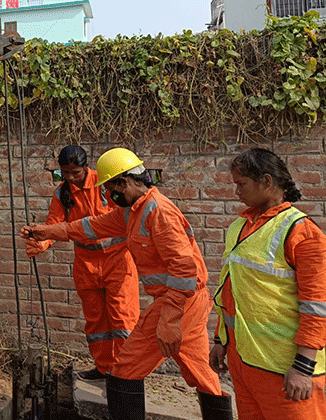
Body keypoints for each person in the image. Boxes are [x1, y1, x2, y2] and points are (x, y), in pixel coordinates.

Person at [21, 147, 232, 420]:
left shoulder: (158, 213)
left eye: (112, 189)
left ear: (125, 181)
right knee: (201, 372)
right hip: (185, 302)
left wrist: (169, 319)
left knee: (124, 370)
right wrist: (43, 232)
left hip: (177, 301)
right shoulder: (131, 212)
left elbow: (184, 268)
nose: (110, 196)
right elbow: (87, 227)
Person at [209, 148, 326, 420]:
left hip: (285, 369)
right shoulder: (239, 227)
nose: (236, 192)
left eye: (241, 184)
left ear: (266, 181)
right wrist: (220, 340)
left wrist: (303, 366)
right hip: (245, 362)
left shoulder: (302, 233)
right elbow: (230, 290)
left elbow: (317, 306)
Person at [26, 145, 139, 380]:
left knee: (123, 320)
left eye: (75, 173)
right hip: (86, 264)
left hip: (117, 260)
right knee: (96, 321)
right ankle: (104, 368)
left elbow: (124, 217)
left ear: (85, 168)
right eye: (65, 173)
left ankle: (126, 374)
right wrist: (42, 243)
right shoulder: (62, 194)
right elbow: (54, 223)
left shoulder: (106, 185)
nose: (70, 178)